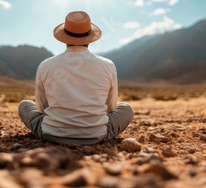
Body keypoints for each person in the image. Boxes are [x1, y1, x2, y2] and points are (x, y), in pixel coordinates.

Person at [18, 11, 134, 146]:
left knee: (24, 105)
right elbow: (111, 107)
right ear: (90, 39)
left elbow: (42, 108)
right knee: (126, 108)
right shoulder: (108, 65)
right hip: (97, 135)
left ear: (64, 38)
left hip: (52, 134)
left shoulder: (45, 65)